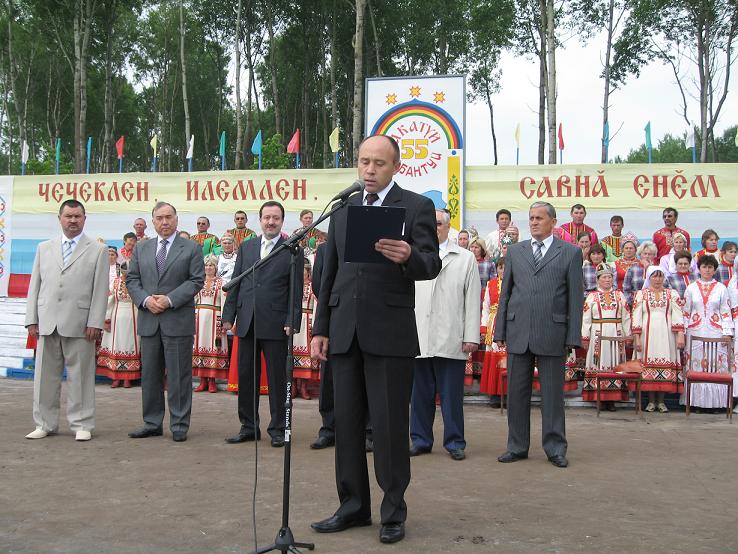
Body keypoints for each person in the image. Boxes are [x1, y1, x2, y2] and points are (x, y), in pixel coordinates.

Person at [309, 135, 441, 544]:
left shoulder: (416, 206)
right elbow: (328, 272)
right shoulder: (344, 209)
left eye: (379, 163)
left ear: (395, 167)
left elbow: (431, 264)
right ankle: (352, 506)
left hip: (389, 335)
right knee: (345, 426)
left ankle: (392, 512)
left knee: (388, 427)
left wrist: (409, 258)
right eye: (364, 162)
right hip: (345, 333)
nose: (369, 170)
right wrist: (320, 328)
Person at [494, 201, 583, 469]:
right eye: (531, 218)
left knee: (553, 396)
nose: (533, 222)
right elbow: (506, 293)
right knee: (516, 394)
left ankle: (555, 448)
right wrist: (500, 330)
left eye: (539, 218)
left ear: (553, 222)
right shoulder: (516, 252)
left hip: (552, 332)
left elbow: (575, 299)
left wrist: (572, 338)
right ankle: (517, 446)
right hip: (518, 331)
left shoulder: (570, 253)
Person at [24, 199, 109, 441]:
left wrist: (95, 321)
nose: (73, 220)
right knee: (44, 377)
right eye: (68, 216)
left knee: (81, 376)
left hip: (81, 324)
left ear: (85, 219)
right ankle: (44, 423)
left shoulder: (98, 249)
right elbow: (35, 286)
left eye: (77, 216)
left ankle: (82, 424)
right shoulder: (44, 248)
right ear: (59, 218)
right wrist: (32, 318)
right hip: (47, 321)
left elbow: (100, 289)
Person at [222, 201, 303, 447]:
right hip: (246, 322)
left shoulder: (291, 250)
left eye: (276, 218)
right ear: (260, 220)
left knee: (278, 380)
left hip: (276, 323)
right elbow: (237, 282)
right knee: (246, 377)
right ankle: (248, 426)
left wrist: (292, 320)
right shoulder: (247, 247)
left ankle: (278, 429)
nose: (271, 222)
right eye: (267, 217)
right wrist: (229, 316)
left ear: (281, 221)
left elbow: (295, 289)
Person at [126, 201, 205, 442]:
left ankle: (179, 424)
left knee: (179, 375)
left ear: (177, 219)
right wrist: (146, 300)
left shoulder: (191, 248)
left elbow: (196, 281)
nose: (164, 222)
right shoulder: (142, 248)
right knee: (150, 374)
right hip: (149, 319)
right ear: (153, 222)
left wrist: (169, 300)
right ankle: (152, 422)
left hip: (177, 319)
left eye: (169, 217)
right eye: (159, 218)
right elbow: (132, 280)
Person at [410, 209, 480, 462]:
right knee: (419, 394)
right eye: (429, 223)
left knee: (451, 396)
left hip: (451, 335)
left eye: (438, 223)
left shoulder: (464, 258)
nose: (433, 227)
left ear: (448, 227)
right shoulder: (413, 255)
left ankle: (454, 441)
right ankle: (420, 439)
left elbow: (472, 300)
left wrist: (471, 335)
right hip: (418, 335)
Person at [631, 266, 685, 413]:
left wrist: (680, 334)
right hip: (646, 334)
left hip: (666, 335)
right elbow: (636, 316)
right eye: (654, 276)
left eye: (660, 276)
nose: (657, 279)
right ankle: (650, 402)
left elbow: (678, 314)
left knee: (664, 363)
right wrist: (636, 338)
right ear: (649, 278)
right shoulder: (641, 294)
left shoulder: (671, 294)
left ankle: (661, 402)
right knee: (647, 365)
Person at [683, 255, 734, 410]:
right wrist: (683, 332)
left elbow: (726, 311)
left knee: (715, 364)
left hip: (716, 332)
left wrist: (727, 332)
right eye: (704, 267)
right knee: (696, 364)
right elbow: (686, 311)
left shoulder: (721, 288)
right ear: (699, 269)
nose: (707, 270)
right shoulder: (691, 287)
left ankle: (716, 404)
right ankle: (695, 403)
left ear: (714, 270)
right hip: (695, 331)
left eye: (710, 267)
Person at [580, 264, 631, 411]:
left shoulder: (619, 295)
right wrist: (585, 336)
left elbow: (626, 316)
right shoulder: (592, 297)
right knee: (598, 362)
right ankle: (599, 397)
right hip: (598, 334)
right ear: (598, 280)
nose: (607, 280)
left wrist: (627, 335)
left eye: (609, 277)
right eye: (604, 277)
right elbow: (586, 318)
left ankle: (612, 398)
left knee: (615, 363)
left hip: (616, 333)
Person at [97, 262, 141, 389]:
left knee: (131, 345)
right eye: (124, 271)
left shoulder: (137, 282)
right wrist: (107, 318)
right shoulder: (115, 282)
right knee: (116, 345)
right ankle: (116, 377)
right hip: (117, 315)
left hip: (134, 317)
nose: (125, 274)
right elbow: (110, 301)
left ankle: (128, 377)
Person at [193, 255, 229, 394]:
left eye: (211, 265)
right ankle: (202, 380)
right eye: (206, 265)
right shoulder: (198, 281)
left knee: (214, 346)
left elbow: (225, 303)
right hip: (200, 318)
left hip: (215, 318)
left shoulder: (222, 283)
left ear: (216, 267)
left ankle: (212, 380)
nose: (208, 268)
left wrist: (225, 320)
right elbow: (194, 300)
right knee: (201, 345)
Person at [480, 257, 506, 404]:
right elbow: (485, 307)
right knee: (494, 357)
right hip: (493, 323)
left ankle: (506, 394)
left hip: (509, 324)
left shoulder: (515, 283)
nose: (503, 270)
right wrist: (484, 328)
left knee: (506, 359)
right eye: (500, 267)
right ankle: (494, 395)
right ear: (496, 269)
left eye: (506, 267)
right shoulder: (491, 284)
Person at [293, 258, 320, 400]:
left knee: (306, 356)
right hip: (295, 323)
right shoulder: (293, 287)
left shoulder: (312, 288)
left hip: (307, 322)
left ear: (308, 273)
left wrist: (315, 324)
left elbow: (317, 306)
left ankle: (303, 386)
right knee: (292, 353)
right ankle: (292, 386)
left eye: (303, 272)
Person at [623, 240, 659, 307]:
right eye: (645, 253)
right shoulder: (632, 269)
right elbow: (626, 289)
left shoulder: (658, 269)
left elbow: (666, 286)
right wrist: (632, 302)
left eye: (650, 254)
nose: (647, 256)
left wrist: (649, 268)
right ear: (640, 255)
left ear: (654, 255)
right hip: (636, 304)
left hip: (655, 305)